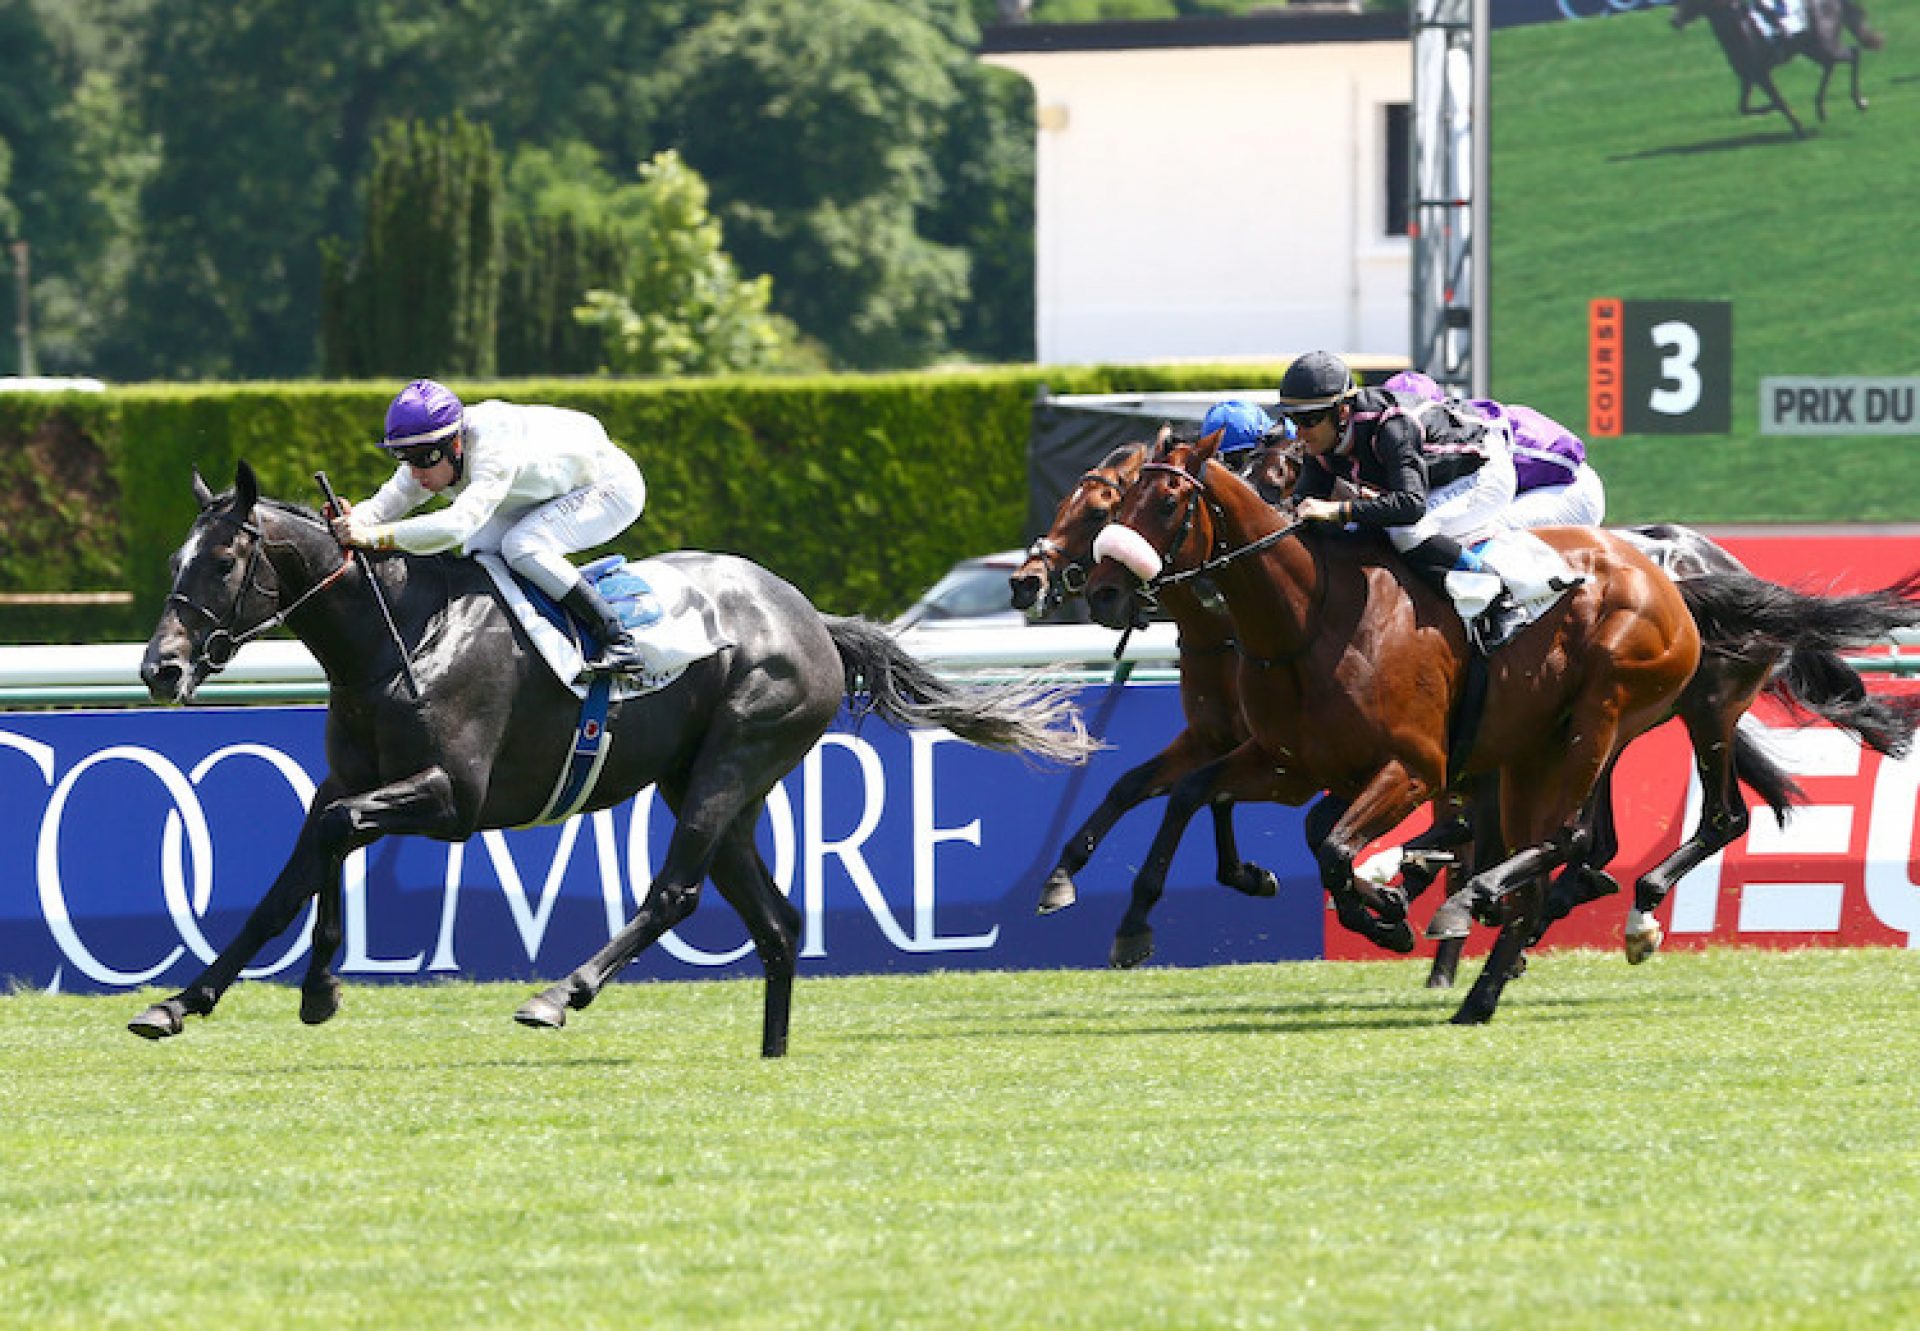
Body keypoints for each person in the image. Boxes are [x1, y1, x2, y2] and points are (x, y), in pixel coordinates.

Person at [331, 378, 650, 673]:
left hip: (608, 487)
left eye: (423, 458)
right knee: (480, 557)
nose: (415, 471)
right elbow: (386, 504)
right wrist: (352, 522)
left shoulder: (492, 447)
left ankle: (615, 637)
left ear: (455, 445)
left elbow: (456, 526)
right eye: (404, 457)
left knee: (523, 546)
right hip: (536, 494)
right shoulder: (431, 451)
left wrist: (373, 537)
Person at [1279, 351, 1517, 635]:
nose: (1300, 432)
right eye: (1293, 419)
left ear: (1342, 411)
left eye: (1309, 420)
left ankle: (1500, 594)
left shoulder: (1391, 427)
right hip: (1430, 478)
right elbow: (1303, 508)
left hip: (1483, 472)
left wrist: (1339, 510)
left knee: (1404, 533)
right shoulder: (1320, 444)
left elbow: (1411, 506)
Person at [1381, 371, 1605, 528]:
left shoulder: (1472, 430)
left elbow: (1568, 458)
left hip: (1569, 489)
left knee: (1481, 527)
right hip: (1534, 486)